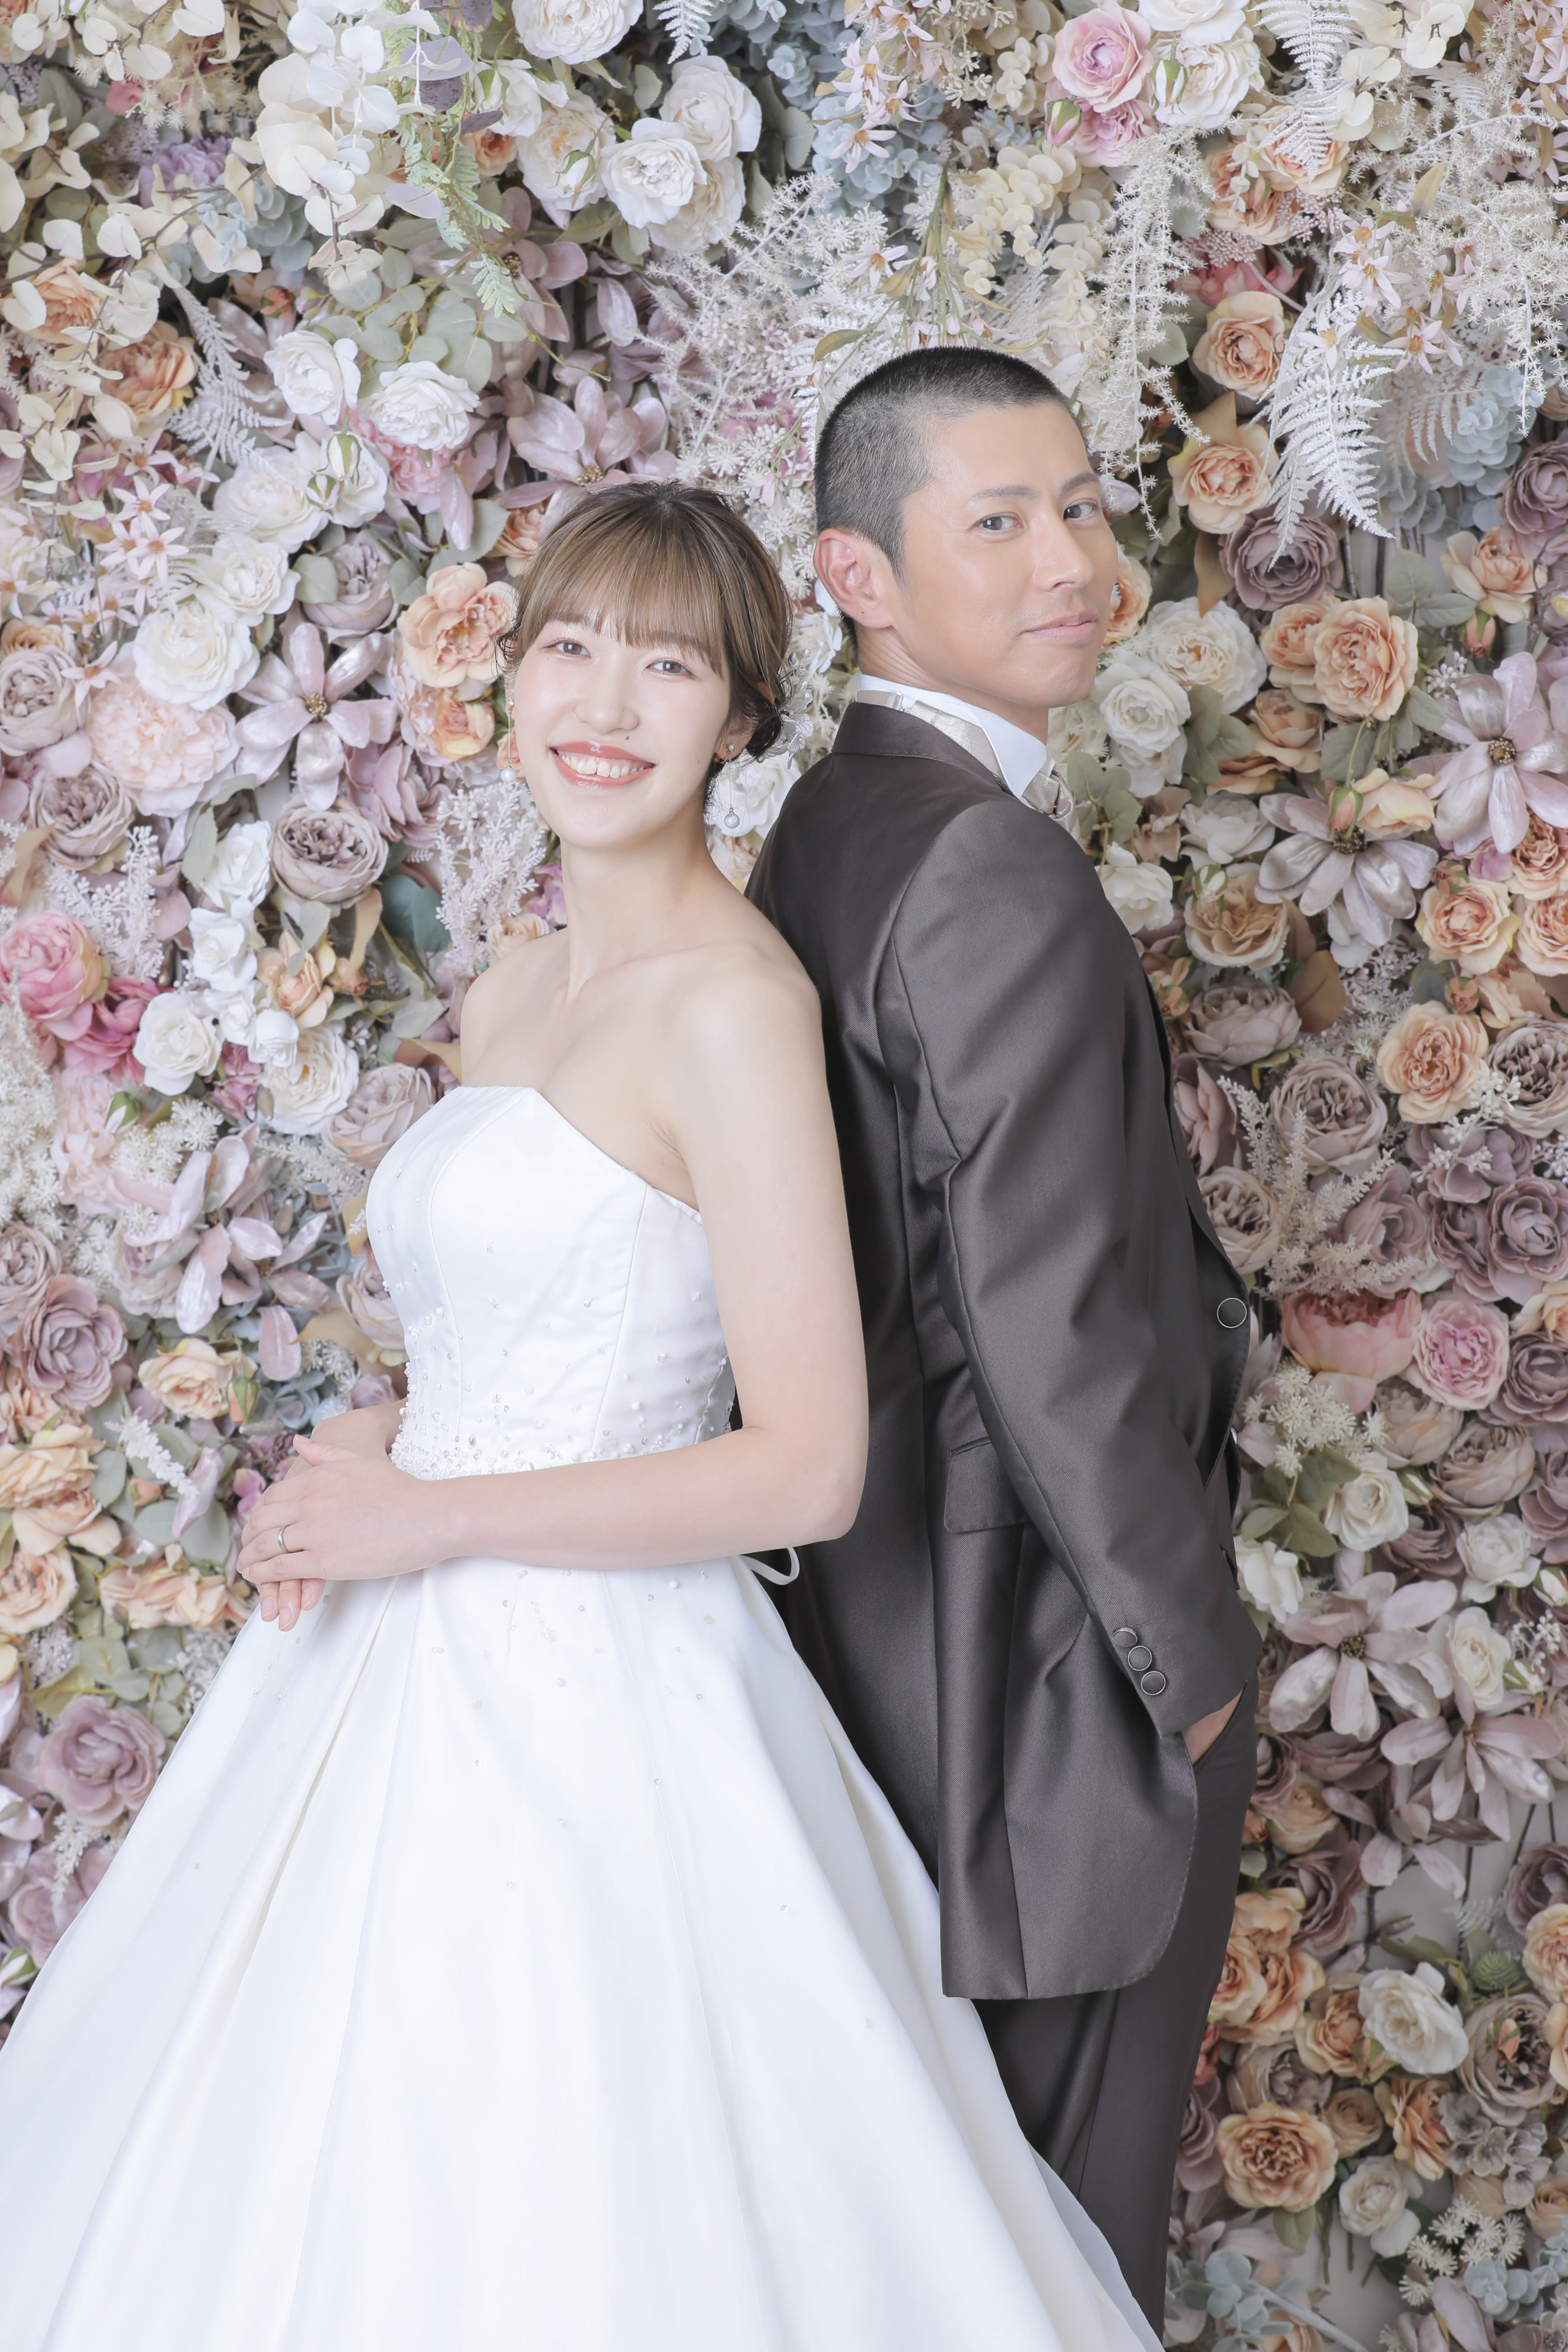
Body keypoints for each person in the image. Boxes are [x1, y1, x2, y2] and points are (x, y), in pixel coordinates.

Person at [0, 482, 1157, 2352]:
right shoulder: (514, 985)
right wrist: (375, 1448)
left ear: (743, 715)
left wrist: (434, 1516)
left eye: (670, 666)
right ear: (513, 677)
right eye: (569, 646)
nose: (605, 704)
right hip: (386, 1663)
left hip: (609, 1696)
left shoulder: (733, 1011)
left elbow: (808, 1463)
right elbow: (524, 1333)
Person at [748, 349, 1262, 2327]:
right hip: (1042, 1685)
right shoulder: (983, 861)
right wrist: (1186, 1673)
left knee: (943, 2246)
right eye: (1000, 521)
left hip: (878, 1644)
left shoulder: (831, 824)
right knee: (1057, 2252)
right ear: (857, 575)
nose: (1074, 563)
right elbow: (1050, 1332)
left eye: (1082, 507)